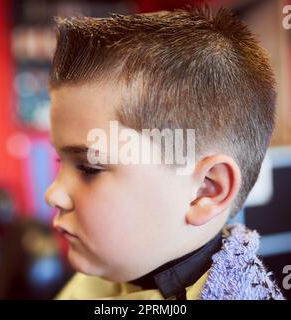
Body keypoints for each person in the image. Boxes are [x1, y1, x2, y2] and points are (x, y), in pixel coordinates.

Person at [45, 6, 284, 300]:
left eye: (89, 167)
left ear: (205, 190)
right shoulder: (102, 278)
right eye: (60, 161)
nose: (53, 193)